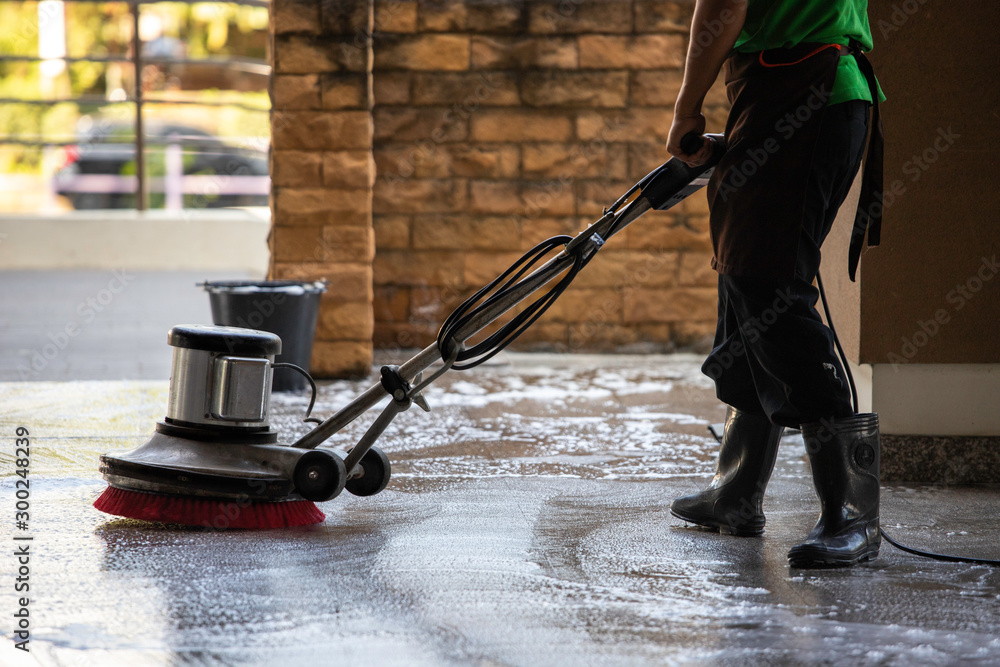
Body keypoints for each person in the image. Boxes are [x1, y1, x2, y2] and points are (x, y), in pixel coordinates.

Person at [665, 0, 885, 568]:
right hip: (792, 93)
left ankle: (853, 512)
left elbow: (726, 5)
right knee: (746, 277)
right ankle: (735, 490)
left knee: (766, 285)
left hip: (806, 91)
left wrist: (686, 108)